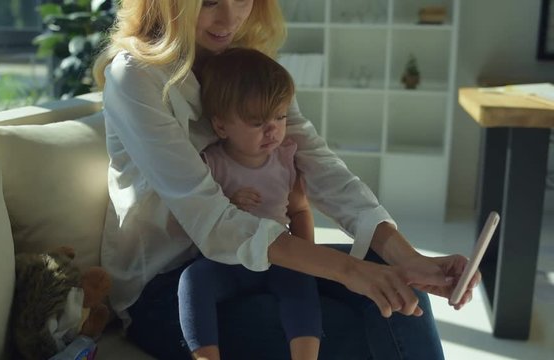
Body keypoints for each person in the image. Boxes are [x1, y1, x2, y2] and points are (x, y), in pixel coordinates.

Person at [92, 1, 480, 359]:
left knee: (402, 289)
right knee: (346, 325)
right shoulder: (135, 78)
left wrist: (408, 258)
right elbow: (214, 221)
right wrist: (350, 271)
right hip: (170, 285)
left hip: (261, 264)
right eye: (209, 1)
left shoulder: (246, 62)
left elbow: (318, 164)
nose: (230, 19)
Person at [177, 47, 322, 359]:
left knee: (301, 283)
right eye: (257, 122)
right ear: (221, 127)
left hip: (279, 258)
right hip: (227, 262)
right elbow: (200, 217)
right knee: (192, 280)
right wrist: (228, 204)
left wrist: (308, 257)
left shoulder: (286, 158)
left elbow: (299, 210)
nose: (273, 130)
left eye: (280, 117)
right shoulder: (210, 163)